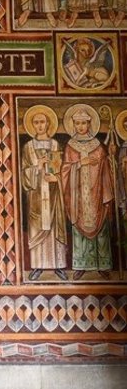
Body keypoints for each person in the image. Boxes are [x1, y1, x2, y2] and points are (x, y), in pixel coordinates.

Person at [61, 105, 114, 280]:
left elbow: (106, 168)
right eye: (77, 124)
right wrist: (79, 164)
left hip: (96, 193)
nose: (81, 127)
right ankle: (81, 265)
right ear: (73, 125)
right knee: (78, 228)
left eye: (83, 123)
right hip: (78, 197)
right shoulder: (70, 146)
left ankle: (103, 265)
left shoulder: (98, 146)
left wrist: (106, 159)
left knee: (101, 230)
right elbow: (65, 170)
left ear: (89, 124)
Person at [20, 107, 67, 281]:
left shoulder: (55, 145)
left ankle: (58, 265)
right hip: (36, 198)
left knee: (54, 230)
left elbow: (61, 170)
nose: (40, 125)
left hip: (53, 196)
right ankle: (38, 266)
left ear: (48, 123)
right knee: (37, 229)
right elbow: (23, 173)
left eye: (43, 122)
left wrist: (56, 178)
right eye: (36, 122)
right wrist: (37, 167)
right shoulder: (28, 147)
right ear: (32, 125)